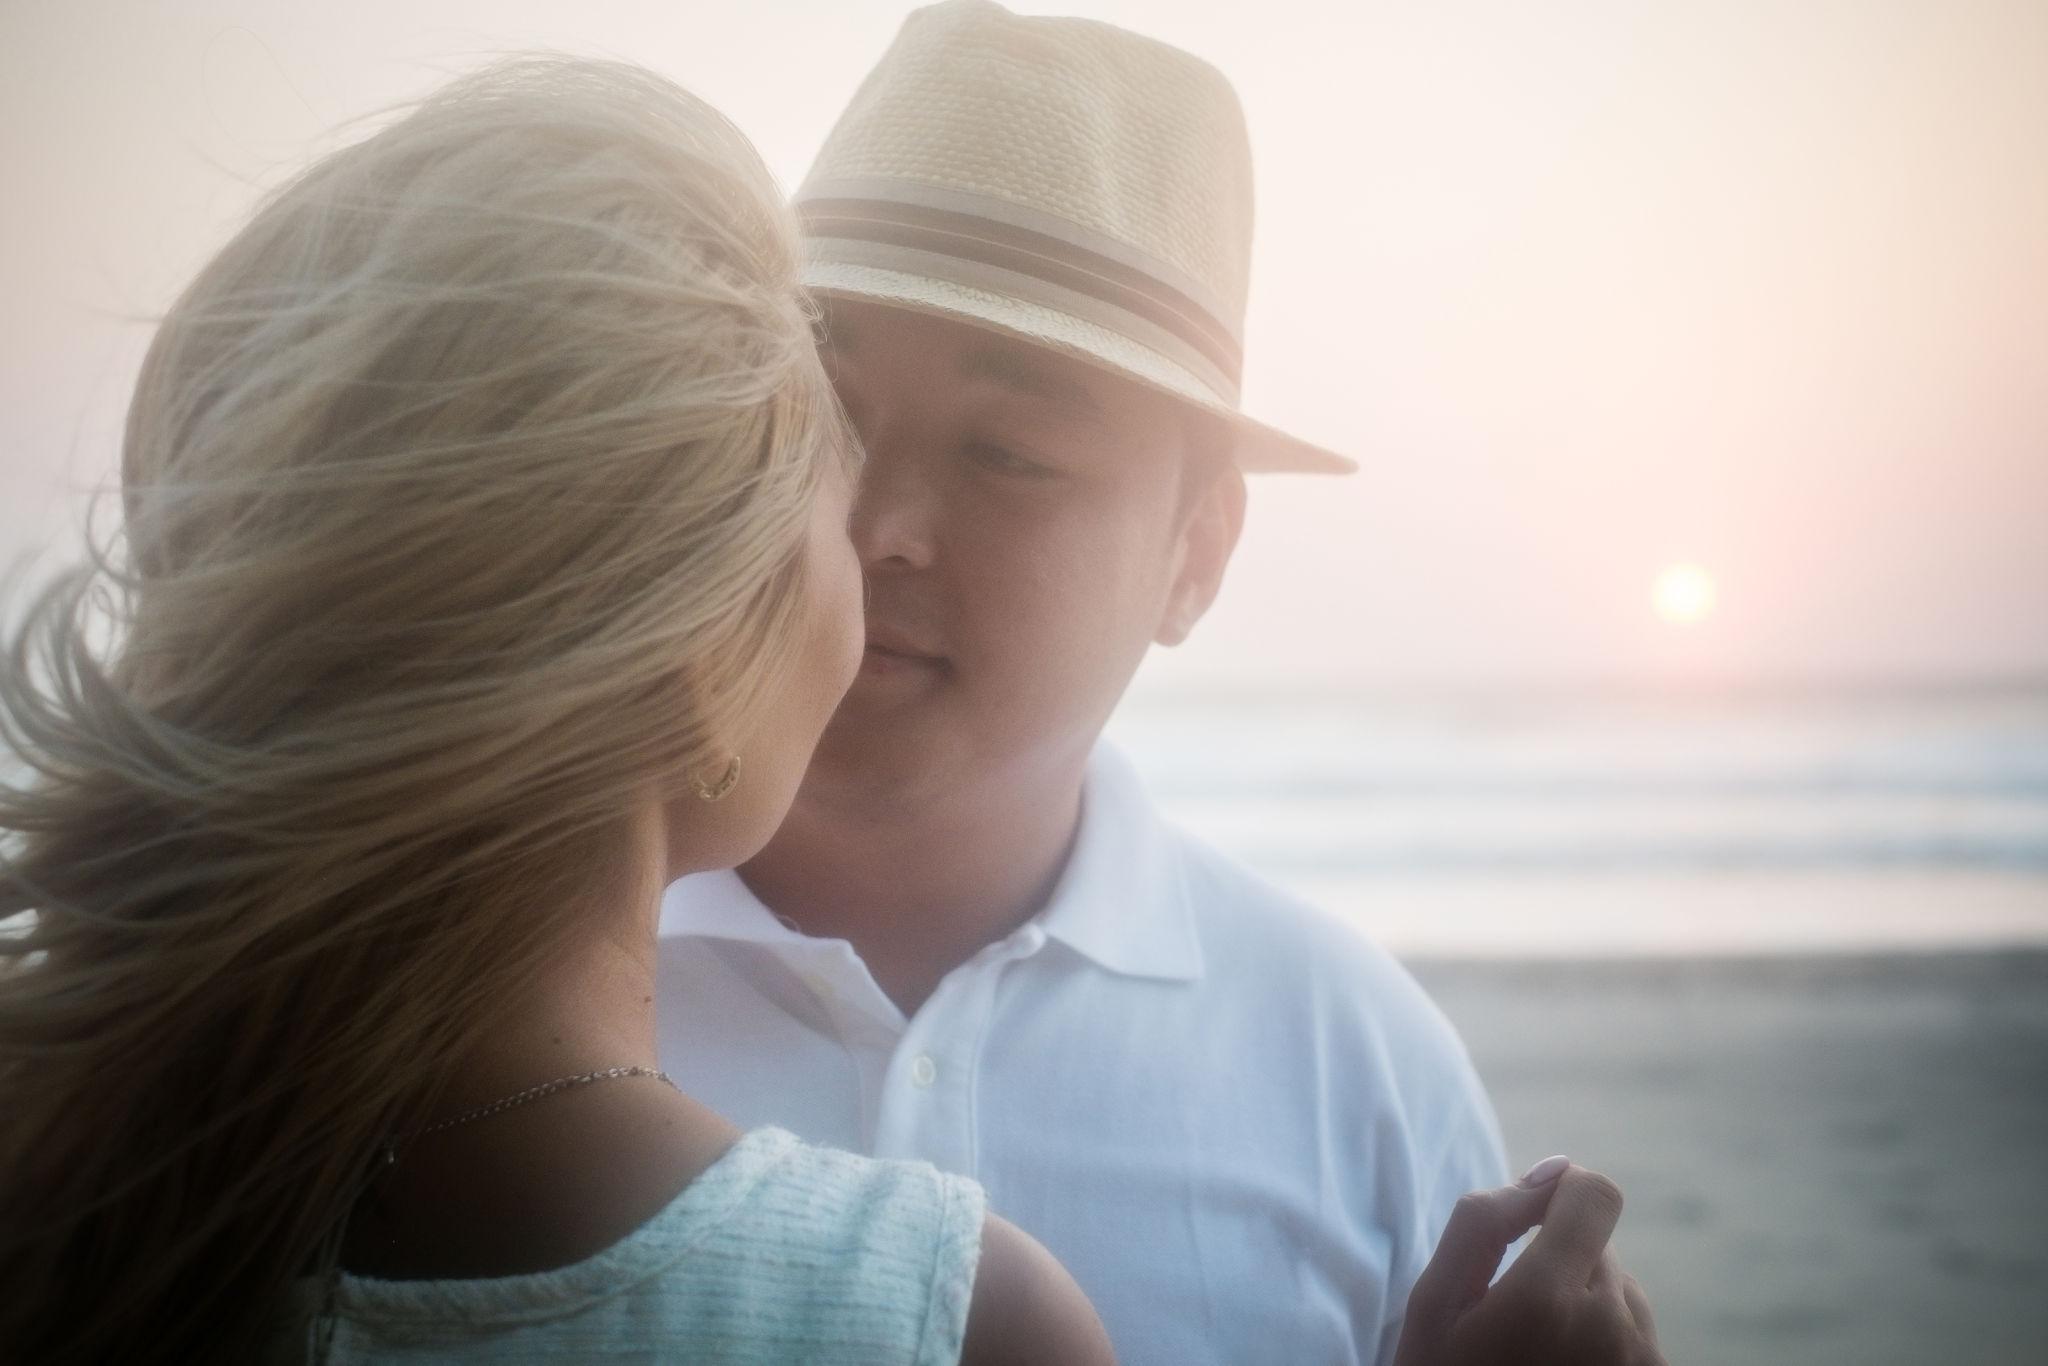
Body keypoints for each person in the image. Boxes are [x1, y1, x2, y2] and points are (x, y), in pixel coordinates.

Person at [0, 56, 1111, 1365]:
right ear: (696, 649)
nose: (878, 542)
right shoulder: (942, 1318)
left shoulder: (70, 1208)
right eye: (834, 468)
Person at [653, 4, 1662, 1363]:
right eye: (816, 412)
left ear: (1197, 552)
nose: (871, 519)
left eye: (1008, 450)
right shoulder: (487, 976)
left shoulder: (1350, 1063)